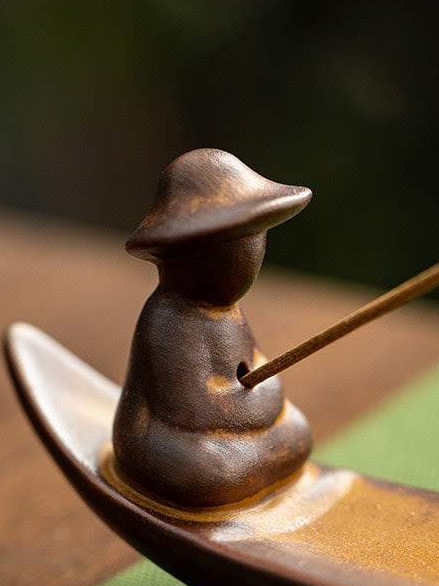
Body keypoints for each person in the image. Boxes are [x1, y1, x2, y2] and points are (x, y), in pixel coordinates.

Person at [112, 149, 312, 507]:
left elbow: (251, 364)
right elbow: (190, 409)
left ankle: (250, 470)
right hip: (168, 439)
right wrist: (257, 393)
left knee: (296, 428)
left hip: (232, 431)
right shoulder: (167, 318)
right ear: (192, 256)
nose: (251, 262)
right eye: (239, 250)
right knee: (210, 469)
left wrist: (265, 386)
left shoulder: (228, 311)